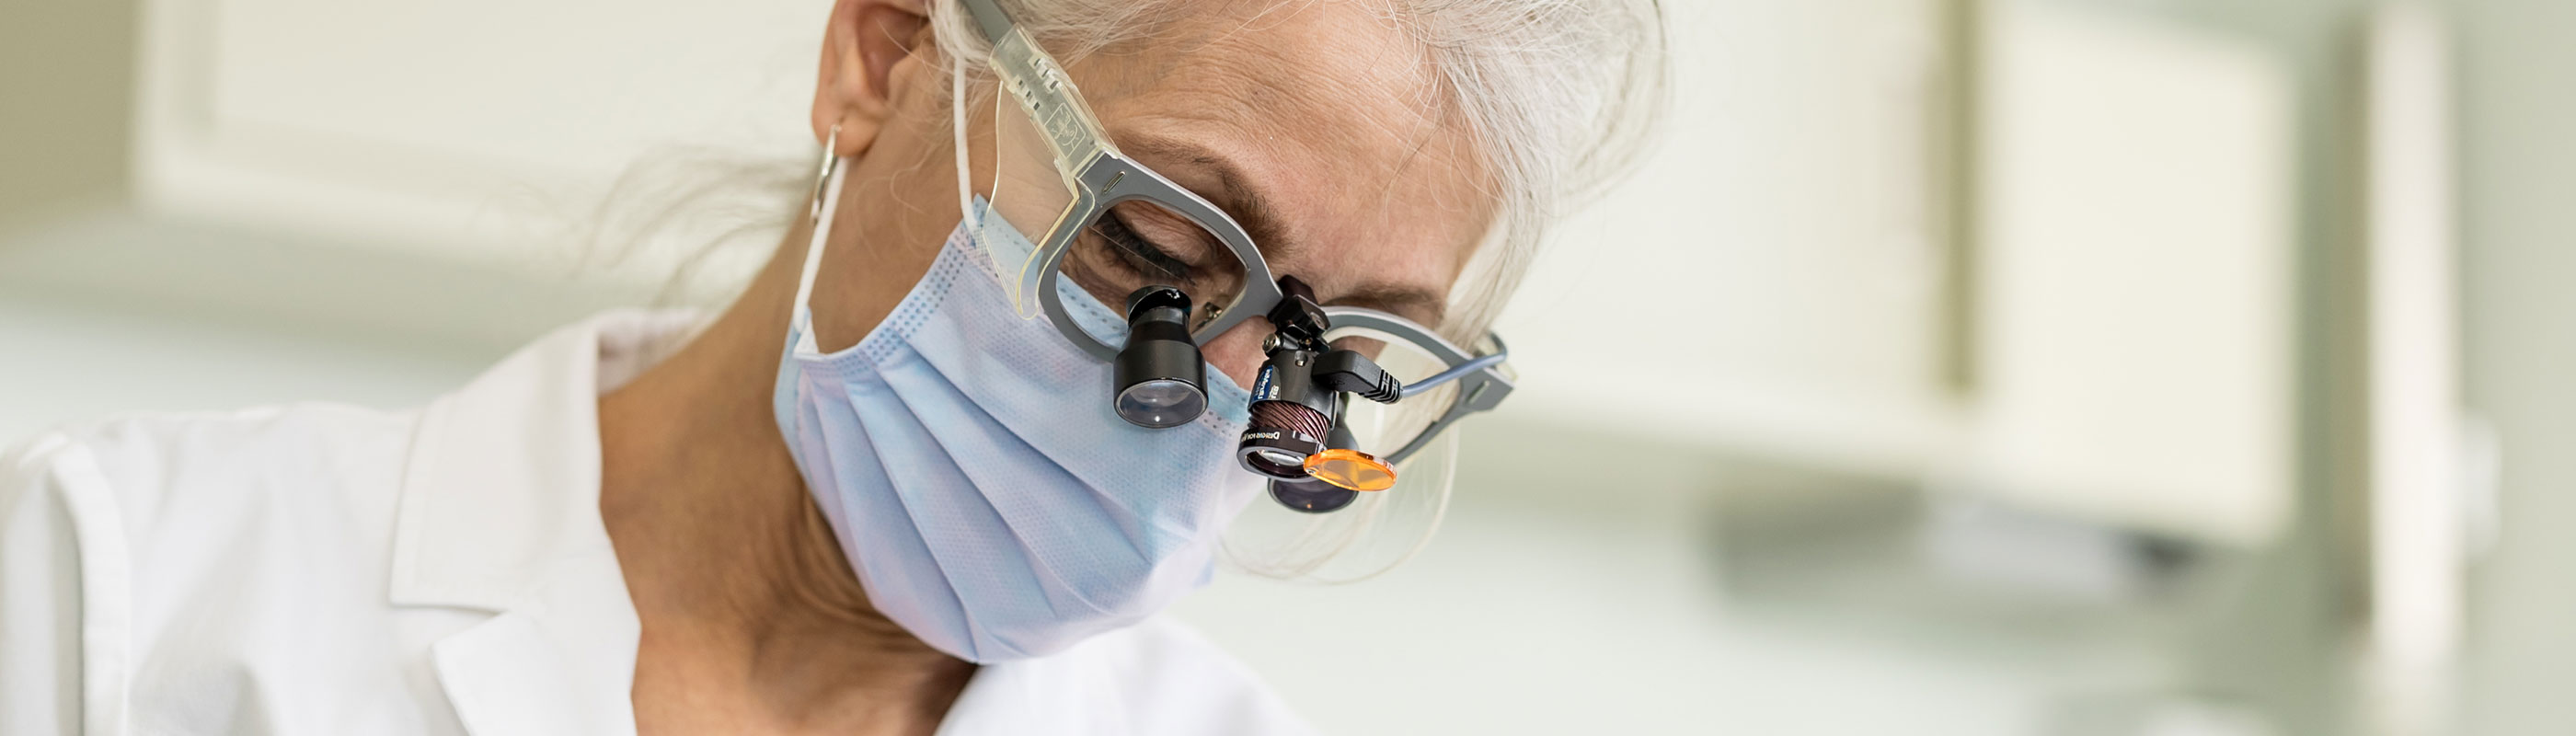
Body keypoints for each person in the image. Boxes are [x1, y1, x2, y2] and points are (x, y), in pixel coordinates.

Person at [0, 0, 1662, 733]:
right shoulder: (123, 596)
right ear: (884, 56)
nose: (1207, 405)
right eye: (1155, 256)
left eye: (1333, 358)